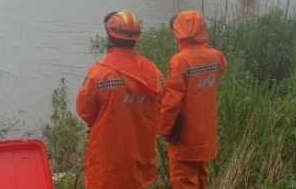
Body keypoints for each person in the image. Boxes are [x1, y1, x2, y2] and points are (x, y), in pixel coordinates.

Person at [76, 10, 164, 189]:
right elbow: (161, 107)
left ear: (109, 37)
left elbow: (84, 111)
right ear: (135, 38)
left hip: (108, 158)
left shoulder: (99, 73)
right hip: (141, 154)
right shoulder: (153, 72)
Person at [158, 11, 228, 189]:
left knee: (183, 180)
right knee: (201, 177)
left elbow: (171, 102)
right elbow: (222, 65)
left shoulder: (179, 61)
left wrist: (164, 131)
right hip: (206, 133)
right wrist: (200, 45)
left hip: (185, 135)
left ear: (178, 32)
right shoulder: (215, 56)